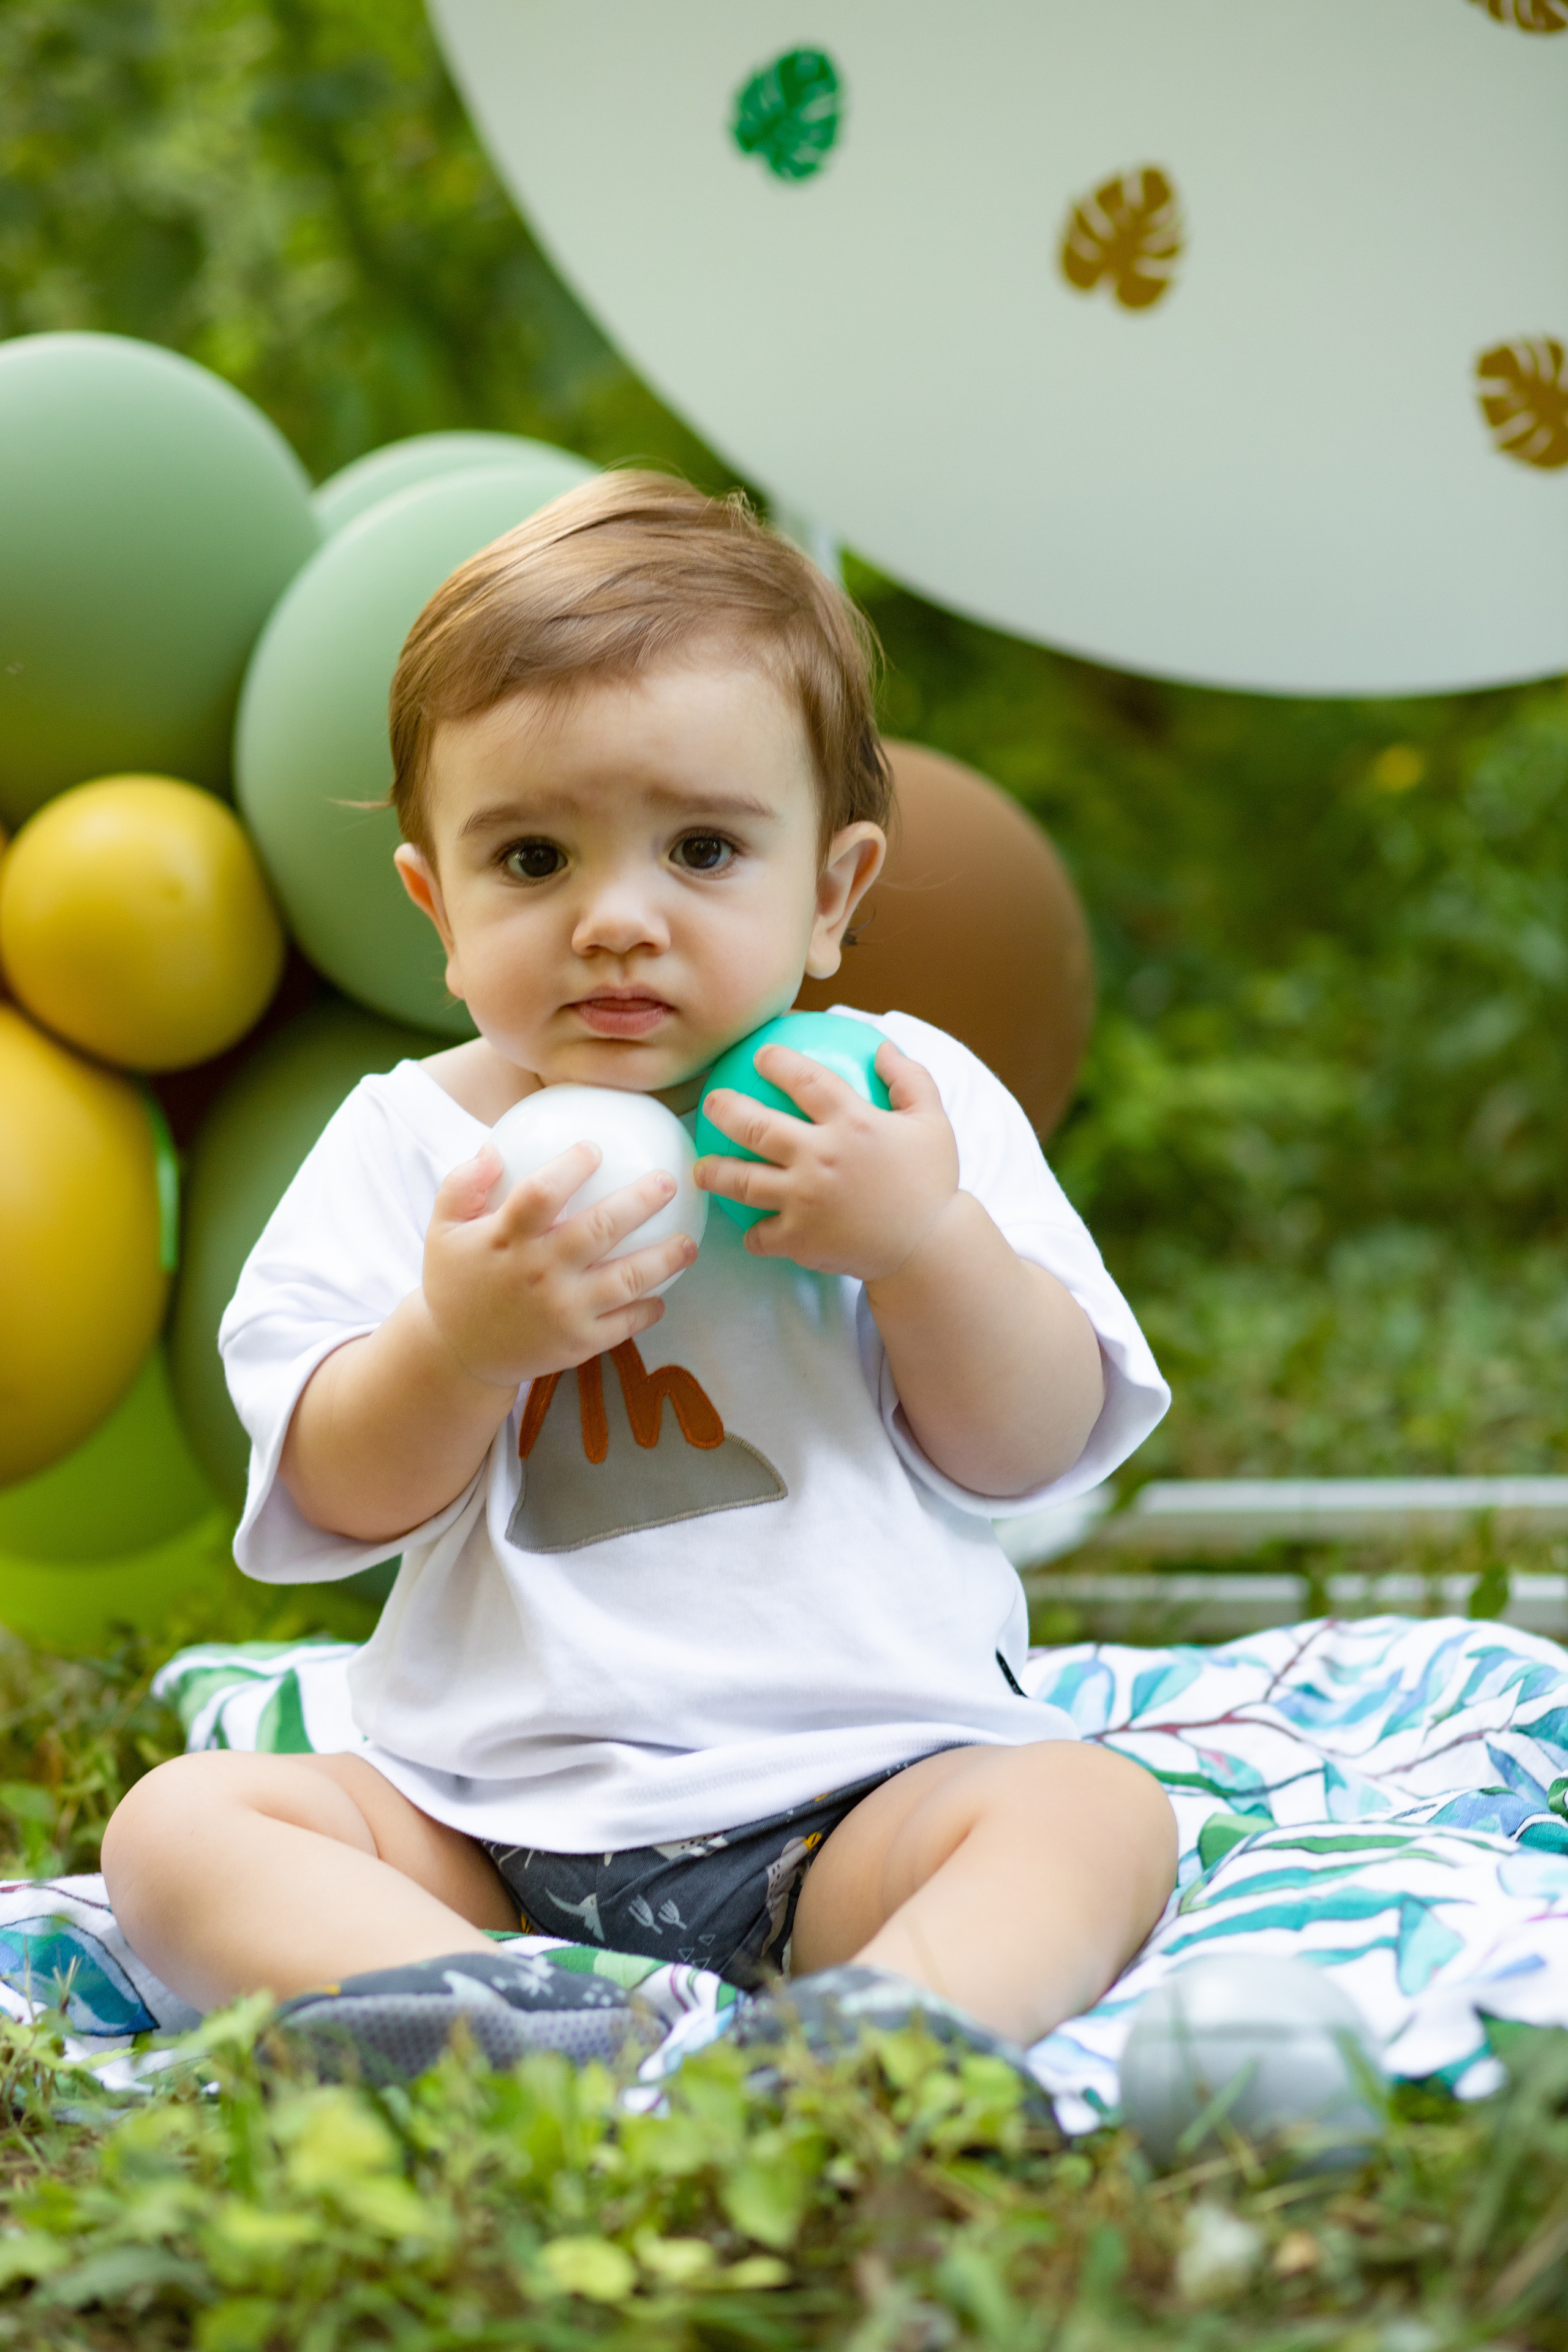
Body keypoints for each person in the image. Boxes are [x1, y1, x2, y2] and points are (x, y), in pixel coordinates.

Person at [103, 473, 1177, 2080]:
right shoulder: (409, 1143)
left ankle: (886, 2033)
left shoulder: (900, 1110)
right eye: (534, 857)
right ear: (438, 906)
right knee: (181, 1828)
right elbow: (332, 1496)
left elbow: (1033, 1446)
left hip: (859, 1796)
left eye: (702, 848)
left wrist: (922, 1246)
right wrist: (459, 1343)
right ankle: (503, 2013)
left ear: (831, 893)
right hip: (482, 1814)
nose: (616, 920)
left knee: (1088, 1811)